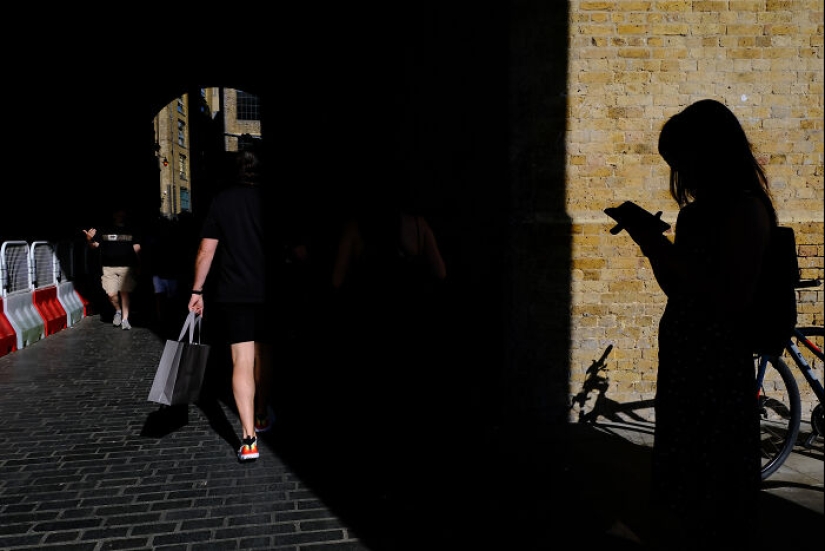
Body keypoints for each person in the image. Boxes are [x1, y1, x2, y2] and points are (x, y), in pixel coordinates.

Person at [605, 99, 773, 549]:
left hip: (715, 366)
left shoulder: (743, 209)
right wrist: (651, 243)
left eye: (682, 160)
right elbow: (678, 291)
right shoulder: (698, 213)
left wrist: (665, 250)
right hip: (686, 360)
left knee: (713, 488)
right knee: (687, 484)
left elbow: (730, 295)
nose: (680, 172)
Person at [188, 149, 275, 462]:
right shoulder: (272, 201)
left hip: (234, 292)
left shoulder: (222, 201)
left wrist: (197, 290)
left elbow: (205, 252)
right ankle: (263, 412)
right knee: (264, 354)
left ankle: (249, 438)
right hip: (269, 291)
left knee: (241, 359)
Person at [82, 205, 142, 330]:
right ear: (114, 215)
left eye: (122, 213)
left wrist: (138, 264)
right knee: (111, 294)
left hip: (126, 267)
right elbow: (95, 246)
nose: (121, 215)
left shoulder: (131, 229)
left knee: (125, 294)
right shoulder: (105, 230)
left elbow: (137, 248)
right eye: (118, 213)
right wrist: (89, 239)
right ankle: (118, 311)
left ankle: (125, 319)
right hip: (109, 267)